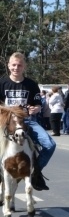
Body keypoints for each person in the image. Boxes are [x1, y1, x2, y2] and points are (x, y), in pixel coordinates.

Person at [0, 52, 55, 190]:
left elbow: (37, 105)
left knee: (50, 145)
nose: (16, 68)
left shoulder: (31, 84)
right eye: (13, 65)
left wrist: (34, 109)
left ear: (24, 67)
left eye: (19, 65)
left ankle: (35, 171)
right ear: (8, 66)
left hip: (27, 121)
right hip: (6, 123)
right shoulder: (2, 83)